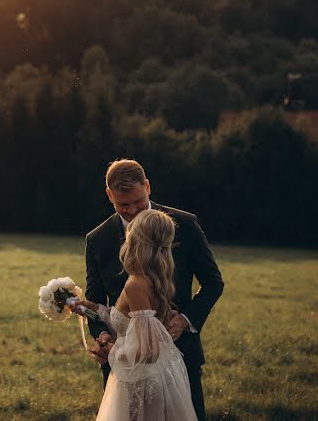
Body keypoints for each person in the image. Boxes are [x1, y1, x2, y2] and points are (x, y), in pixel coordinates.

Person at [84, 159, 224, 421]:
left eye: (137, 201)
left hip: (179, 357)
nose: (133, 210)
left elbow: (213, 283)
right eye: (122, 205)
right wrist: (102, 336)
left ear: (147, 187)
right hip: (124, 371)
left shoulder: (184, 224)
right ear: (109, 196)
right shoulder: (97, 240)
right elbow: (95, 301)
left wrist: (185, 320)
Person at [72, 209, 199, 420]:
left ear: (135, 240)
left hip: (141, 381)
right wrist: (93, 310)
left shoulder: (136, 285)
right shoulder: (154, 277)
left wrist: (112, 351)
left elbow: (148, 351)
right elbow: (127, 320)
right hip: (152, 375)